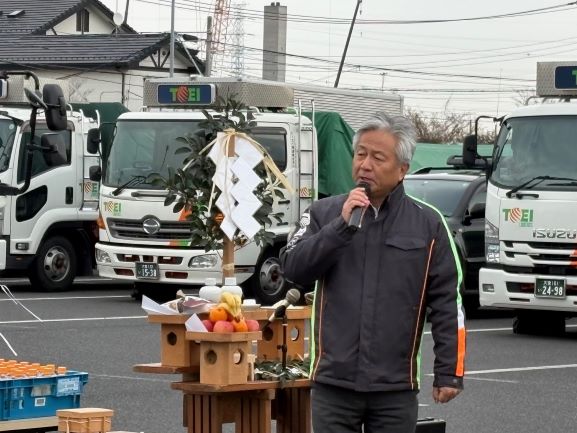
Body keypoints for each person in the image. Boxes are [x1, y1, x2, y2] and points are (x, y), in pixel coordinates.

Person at [280, 112, 466, 433]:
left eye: (378, 157)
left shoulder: (429, 224)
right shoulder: (324, 212)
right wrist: (340, 227)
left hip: (394, 388)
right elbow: (293, 268)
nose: (365, 164)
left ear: (402, 170)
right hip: (333, 384)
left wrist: (450, 371)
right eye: (360, 154)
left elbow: (448, 303)